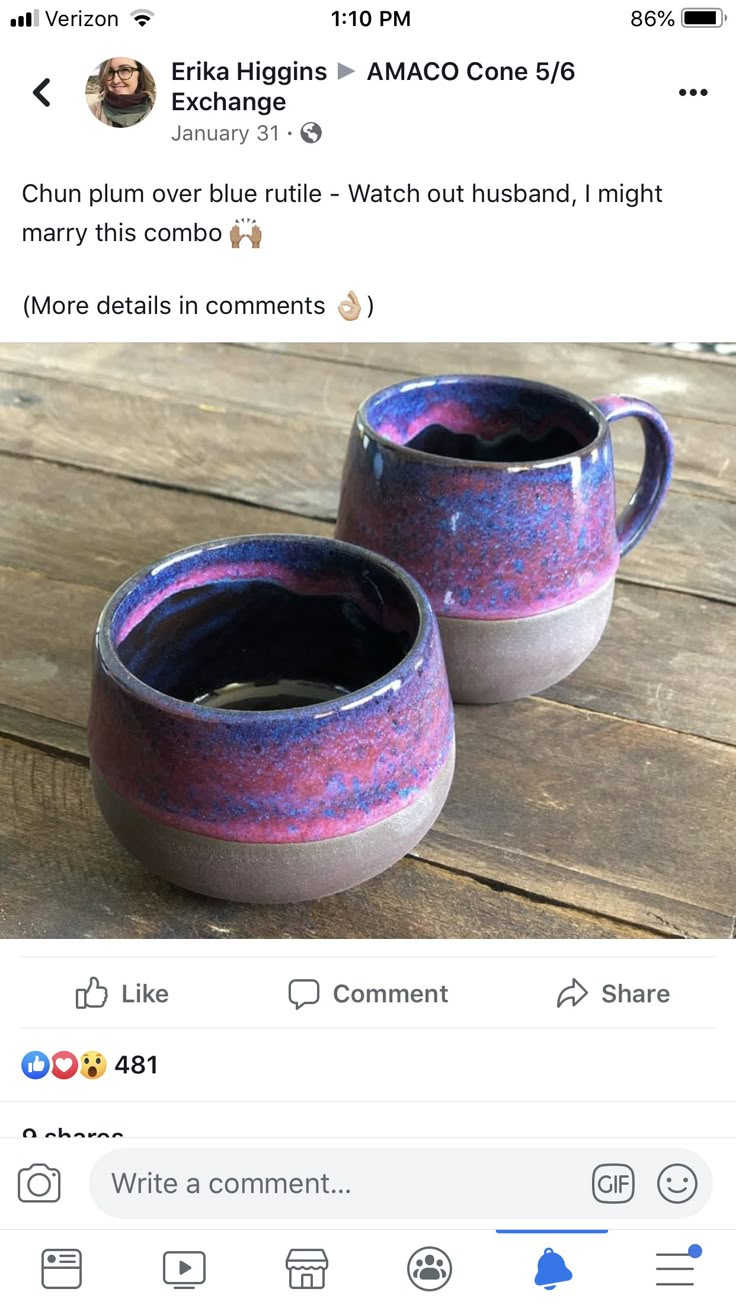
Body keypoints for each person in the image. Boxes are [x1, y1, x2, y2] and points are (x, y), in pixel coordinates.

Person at [90, 58, 155, 128]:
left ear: (140, 74)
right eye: (109, 71)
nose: (115, 80)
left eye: (125, 70)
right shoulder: (93, 110)